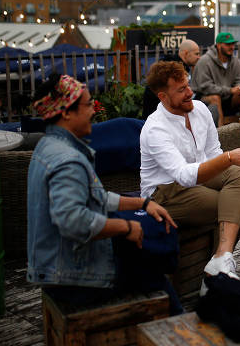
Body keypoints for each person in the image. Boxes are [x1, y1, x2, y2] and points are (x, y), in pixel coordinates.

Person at [27, 73, 181, 313]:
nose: (93, 111)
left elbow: (93, 197)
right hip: (71, 279)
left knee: (147, 256)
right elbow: (73, 221)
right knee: (150, 265)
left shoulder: (49, 146)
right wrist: (127, 228)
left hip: (56, 268)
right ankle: (175, 328)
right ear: (66, 112)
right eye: (88, 104)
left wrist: (142, 203)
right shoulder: (67, 159)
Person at [140, 61, 240, 284]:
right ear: (163, 97)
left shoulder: (200, 110)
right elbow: (184, 175)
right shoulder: (154, 128)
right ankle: (218, 269)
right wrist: (230, 157)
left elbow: (213, 152)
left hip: (197, 181)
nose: (190, 93)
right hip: (165, 193)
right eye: (181, 90)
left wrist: (229, 160)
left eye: (188, 85)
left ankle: (220, 259)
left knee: (239, 173)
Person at [191, 32, 240, 126]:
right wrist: (230, 90)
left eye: (233, 44)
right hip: (205, 98)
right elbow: (205, 87)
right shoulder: (204, 61)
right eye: (228, 44)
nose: (232, 47)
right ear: (219, 45)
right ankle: (220, 136)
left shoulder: (235, 61)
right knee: (215, 97)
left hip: (227, 97)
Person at [142, 39, 201, 119]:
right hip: (160, 116)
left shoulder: (177, 66)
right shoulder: (173, 71)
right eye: (196, 54)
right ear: (186, 53)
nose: (199, 57)